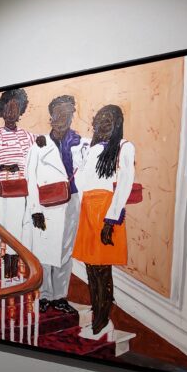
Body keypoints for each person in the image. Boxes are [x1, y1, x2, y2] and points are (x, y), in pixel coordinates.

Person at [22, 95, 90, 314]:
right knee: (43, 249)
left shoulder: (80, 143)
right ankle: (44, 295)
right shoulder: (39, 144)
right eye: (59, 113)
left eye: (68, 113)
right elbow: (30, 178)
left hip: (71, 201)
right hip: (46, 205)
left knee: (65, 251)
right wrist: (35, 210)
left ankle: (60, 296)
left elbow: (88, 169)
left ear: (72, 116)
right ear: (51, 116)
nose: (63, 117)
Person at [72, 104, 135, 340]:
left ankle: (103, 322)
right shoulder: (91, 148)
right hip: (88, 210)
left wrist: (110, 220)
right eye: (100, 119)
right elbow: (81, 181)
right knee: (90, 268)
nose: (103, 123)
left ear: (117, 124)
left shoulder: (124, 147)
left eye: (109, 120)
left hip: (106, 211)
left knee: (102, 270)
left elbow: (125, 185)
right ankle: (97, 318)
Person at [0, 88, 34, 278]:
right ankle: (7, 274)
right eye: (8, 108)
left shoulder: (28, 136)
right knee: (7, 232)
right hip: (5, 194)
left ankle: (15, 274)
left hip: (24, 192)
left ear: (21, 111)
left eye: (15, 108)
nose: (11, 112)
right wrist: (3, 167)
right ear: (2, 111)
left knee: (21, 232)